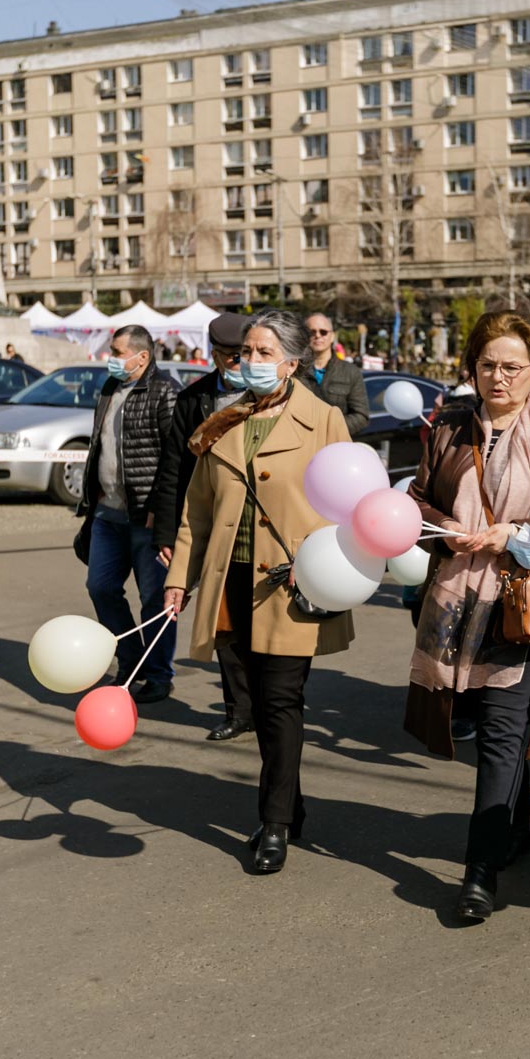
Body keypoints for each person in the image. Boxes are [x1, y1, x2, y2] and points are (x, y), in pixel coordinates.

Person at [404, 312, 530, 921]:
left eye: (512, 366)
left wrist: (517, 534)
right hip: (455, 599)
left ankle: (478, 871)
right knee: (491, 730)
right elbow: (416, 500)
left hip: (523, 607)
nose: (498, 377)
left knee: (500, 733)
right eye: (487, 365)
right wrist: (444, 532)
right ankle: (517, 822)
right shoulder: (448, 429)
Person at [163, 311, 353, 875]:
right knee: (258, 701)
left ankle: (273, 823)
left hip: (294, 583)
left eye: (264, 352)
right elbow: (197, 511)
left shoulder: (324, 420)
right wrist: (181, 580)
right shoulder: (224, 420)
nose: (251, 361)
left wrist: (322, 563)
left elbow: (350, 508)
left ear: (293, 362)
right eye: (247, 351)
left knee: (280, 702)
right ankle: (289, 802)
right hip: (232, 581)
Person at [152, 311, 255, 741]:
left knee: (266, 626)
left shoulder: (273, 396)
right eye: (230, 356)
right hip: (212, 528)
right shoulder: (193, 399)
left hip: (261, 527)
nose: (237, 363)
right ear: (213, 354)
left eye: (244, 355)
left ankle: (276, 701)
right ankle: (239, 710)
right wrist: (166, 534)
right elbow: (173, 467)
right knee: (224, 624)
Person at [79, 325, 182, 704]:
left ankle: (158, 675)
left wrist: (163, 510)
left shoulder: (164, 391)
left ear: (142, 357)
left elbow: (176, 457)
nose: (111, 356)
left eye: (117, 350)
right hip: (108, 513)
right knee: (101, 587)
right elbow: (100, 446)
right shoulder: (109, 389)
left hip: (147, 517)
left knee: (155, 600)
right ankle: (131, 660)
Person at [300, 313, 370, 435]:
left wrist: (329, 429)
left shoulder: (350, 372)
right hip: (301, 444)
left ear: (332, 336)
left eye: (323, 332)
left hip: (336, 446)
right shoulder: (294, 370)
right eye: (312, 332)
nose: (317, 335)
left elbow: (361, 416)